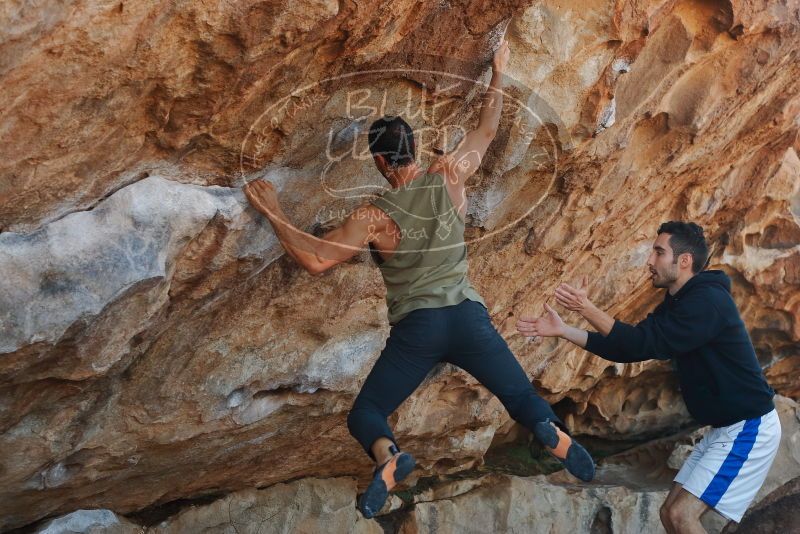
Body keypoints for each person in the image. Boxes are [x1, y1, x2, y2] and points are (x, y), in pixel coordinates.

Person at [244, 39, 595, 519]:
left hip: (419, 330)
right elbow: (488, 129)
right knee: (519, 397)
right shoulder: (448, 176)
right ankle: (551, 434)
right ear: (412, 150)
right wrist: (498, 70)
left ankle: (389, 457)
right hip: (470, 319)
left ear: (381, 163)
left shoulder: (373, 216)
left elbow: (316, 260)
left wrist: (274, 210)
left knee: (365, 414)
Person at [516, 221, 780, 533]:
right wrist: (564, 330)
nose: (650, 261)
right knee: (669, 513)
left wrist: (586, 308)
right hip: (726, 428)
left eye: (658, 252)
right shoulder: (680, 302)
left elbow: (640, 343)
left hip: (749, 428)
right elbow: (627, 348)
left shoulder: (707, 304)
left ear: (683, 261)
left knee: (683, 515)